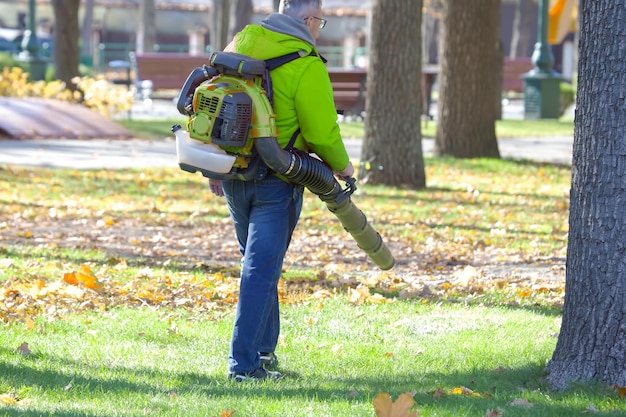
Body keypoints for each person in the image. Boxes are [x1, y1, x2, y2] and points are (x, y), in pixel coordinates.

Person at [208, 0, 355, 382]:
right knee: (260, 270)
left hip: (233, 171)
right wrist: (344, 166)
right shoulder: (306, 63)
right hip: (279, 179)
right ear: (308, 20)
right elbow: (323, 132)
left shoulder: (244, 39)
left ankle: (263, 351)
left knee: (258, 264)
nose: (319, 28)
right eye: (320, 21)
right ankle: (243, 367)